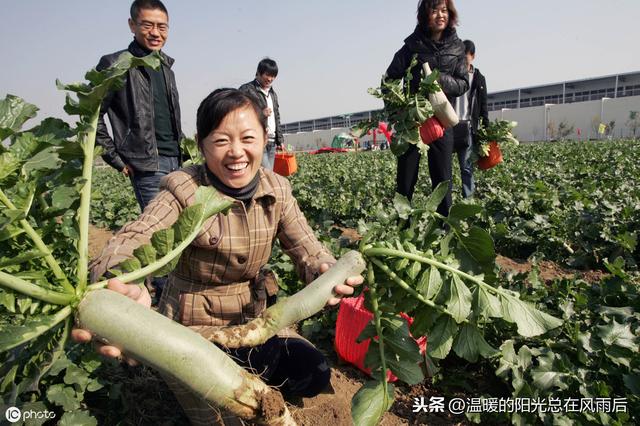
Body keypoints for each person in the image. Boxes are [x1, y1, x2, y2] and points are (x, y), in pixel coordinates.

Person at [75, 88, 363, 425]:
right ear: (201, 143)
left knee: (313, 372)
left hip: (255, 323)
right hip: (194, 333)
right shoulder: (183, 189)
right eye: (222, 140)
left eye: (247, 138)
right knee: (225, 417)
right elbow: (136, 237)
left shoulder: (277, 188)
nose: (236, 152)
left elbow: (306, 247)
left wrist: (323, 268)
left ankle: (249, 367)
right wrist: (119, 282)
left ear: (263, 138)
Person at [96, 0, 183, 301]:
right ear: (132, 26)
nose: (155, 32)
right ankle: (163, 294)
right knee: (159, 231)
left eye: (161, 26)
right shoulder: (116, 64)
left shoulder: (166, 66)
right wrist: (115, 157)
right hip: (146, 162)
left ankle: (172, 288)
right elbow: (93, 117)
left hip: (175, 158)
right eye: (147, 25)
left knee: (181, 228)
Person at [385, 0, 469, 216]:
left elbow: (462, 83)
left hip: (441, 121)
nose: (440, 15)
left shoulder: (457, 48)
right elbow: (389, 80)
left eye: (444, 11)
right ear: (425, 15)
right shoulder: (411, 46)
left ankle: (444, 229)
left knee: (443, 181)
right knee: (405, 180)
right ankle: (401, 225)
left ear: (450, 15)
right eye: (434, 10)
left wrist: (439, 79)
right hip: (412, 123)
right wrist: (400, 110)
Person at [453, 39, 489, 199]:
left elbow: (484, 105)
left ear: (472, 56)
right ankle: (444, 202)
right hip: (450, 124)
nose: (462, 59)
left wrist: (486, 128)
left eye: (465, 56)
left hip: (467, 127)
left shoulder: (479, 79)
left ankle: (468, 201)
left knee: (466, 168)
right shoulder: (452, 75)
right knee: (443, 168)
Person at [239, 58, 284, 170]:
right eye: (267, 75)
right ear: (258, 73)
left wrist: (280, 140)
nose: (270, 79)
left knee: (267, 175)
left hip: (272, 141)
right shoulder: (246, 90)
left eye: (273, 76)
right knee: (267, 174)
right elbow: (238, 114)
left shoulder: (273, 93)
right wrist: (261, 113)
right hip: (257, 139)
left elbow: (276, 117)